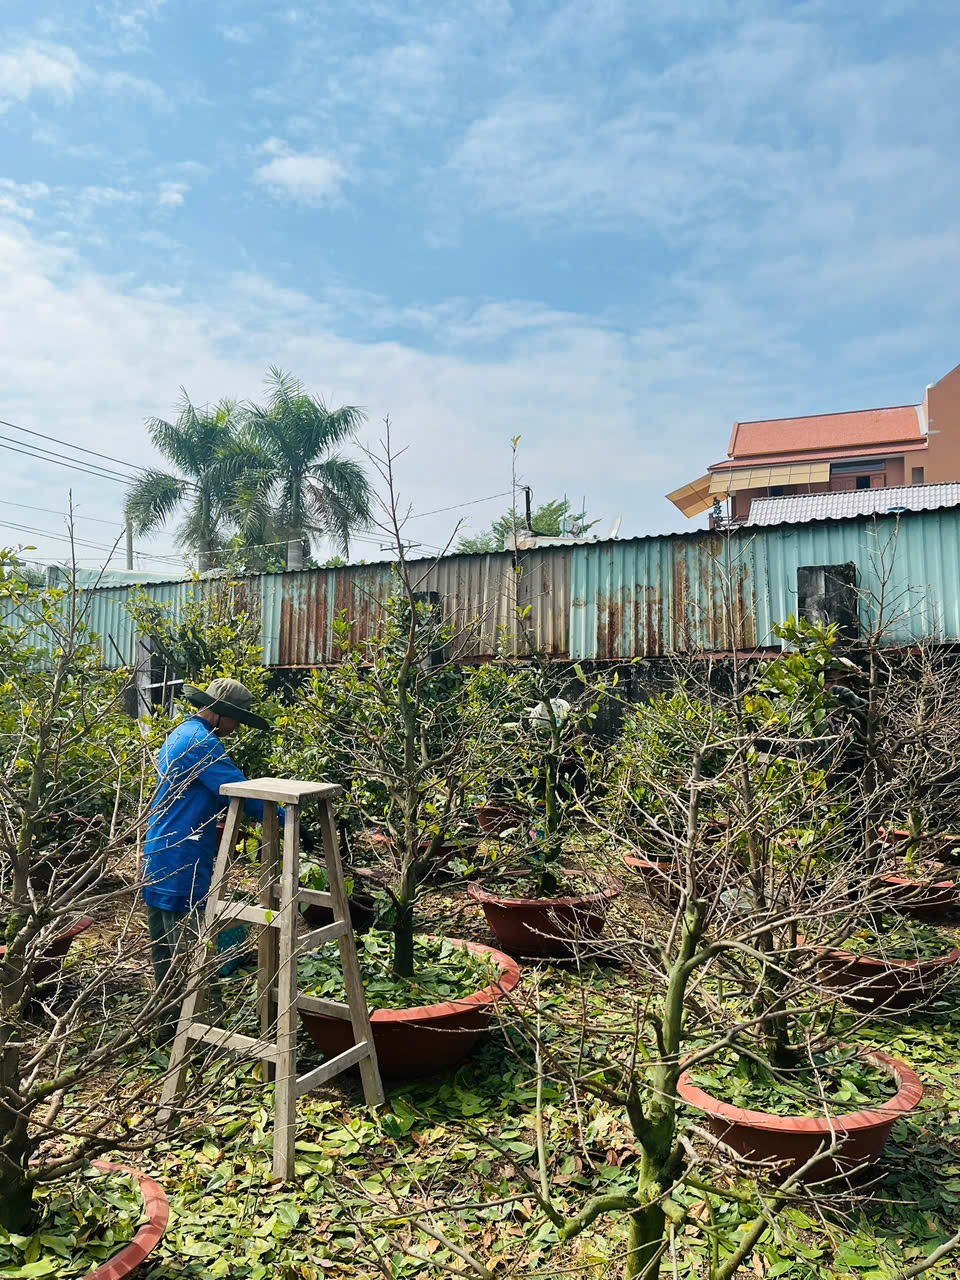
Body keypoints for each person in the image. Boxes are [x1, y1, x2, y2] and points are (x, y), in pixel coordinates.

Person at [142, 677, 276, 1042]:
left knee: (166, 951)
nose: (236, 727)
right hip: (180, 858)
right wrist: (284, 816)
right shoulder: (202, 743)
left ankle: (168, 1031)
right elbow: (239, 791)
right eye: (236, 719)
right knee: (192, 952)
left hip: (162, 851)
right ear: (220, 714)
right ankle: (204, 1039)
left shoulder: (183, 732)